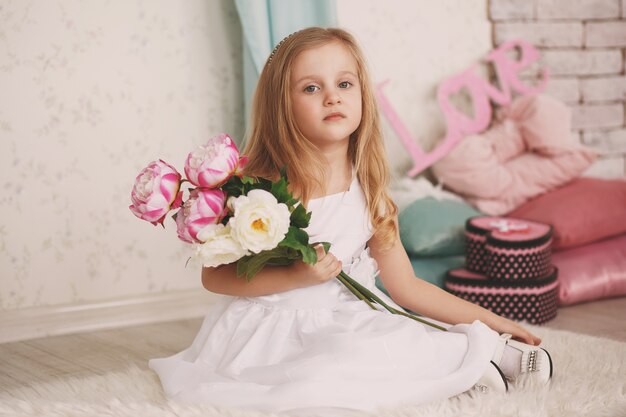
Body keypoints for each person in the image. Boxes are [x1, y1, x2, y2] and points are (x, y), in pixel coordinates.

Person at [149, 27, 553, 414]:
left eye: (344, 84)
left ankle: (483, 357)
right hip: (274, 332)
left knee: (400, 337)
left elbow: (407, 288)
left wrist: (493, 322)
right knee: (333, 366)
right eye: (311, 87)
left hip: (348, 316)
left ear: (362, 95)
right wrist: (297, 278)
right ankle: (458, 379)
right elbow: (214, 278)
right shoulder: (260, 188)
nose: (332, 98)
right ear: (281, 105)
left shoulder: (370, 188)